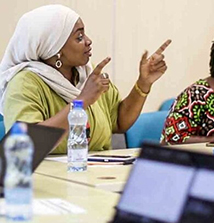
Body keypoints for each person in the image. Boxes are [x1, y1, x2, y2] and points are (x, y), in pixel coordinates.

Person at [0, 5, 171, 154]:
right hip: (47, 180)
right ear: (55, 48)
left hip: (94, 174)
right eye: (79, 37)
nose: (89, 41)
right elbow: (26, 145)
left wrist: (143, 83)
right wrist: (82, 101)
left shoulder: (89, 74)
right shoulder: (25, 83)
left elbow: (119, 122)